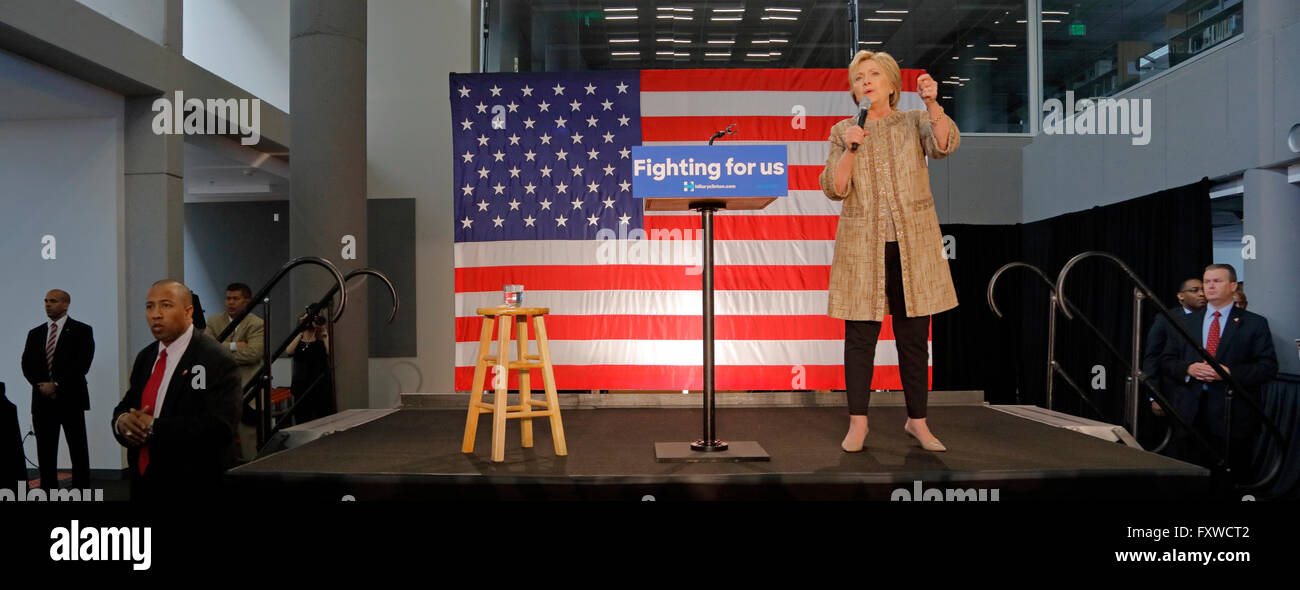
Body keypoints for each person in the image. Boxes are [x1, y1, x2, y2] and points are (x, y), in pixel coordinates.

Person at [819, 50, 959, 452]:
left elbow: (944, 145)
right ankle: (858, 423)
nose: (866, 80)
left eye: (874, 73)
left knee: (913, 338)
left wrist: (932, 103)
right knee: (860, 337)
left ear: (893, 83)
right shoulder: (843, 129)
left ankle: (918, 421)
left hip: (913, 245)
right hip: (863, 246)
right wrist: (849, 148)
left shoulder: (913, 121)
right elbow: (834, 187)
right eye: (859, 76)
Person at [112, 280, 240, 501]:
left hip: (191, 483)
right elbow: (128, 404)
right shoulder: (146, 356)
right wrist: (122, 421)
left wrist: (153, 426)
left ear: (188, 311)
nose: (156, 314)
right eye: (149, 306)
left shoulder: (214, 358)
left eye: (166, 305)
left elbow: (220, 427)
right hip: (144, 482)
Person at [1159, 264, 1276, 483]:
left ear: (1233, 286)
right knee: (1189, 481)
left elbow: (1267, 367)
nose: (1209, 286)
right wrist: (1188, 369)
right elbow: (1166, 361)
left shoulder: (1254, 323)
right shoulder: (1184, 322)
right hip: (1189, 416)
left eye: (1217, 281)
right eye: (1207, 281)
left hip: (1232, 417)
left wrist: (1229, 373)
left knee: (1229, 482)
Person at [20, 289, 94, 490]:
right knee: (45, 449)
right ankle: (48, 489)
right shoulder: (35, 333)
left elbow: (82, 364)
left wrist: (57, 384)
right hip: (42, 400)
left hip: (71, 398)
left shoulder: (82, 330)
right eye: (45, 301)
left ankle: (81, 489)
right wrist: (41, 385)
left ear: (65, 304)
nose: (47, 304)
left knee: (78, 449)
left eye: (53, 301)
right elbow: (26, 364)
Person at [203, 282, 264, 460]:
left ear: (247, 301)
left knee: (249, 443)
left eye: (236, 298)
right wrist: (234, 345)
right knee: (219, 442)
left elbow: (254, 353)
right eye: (228, 298)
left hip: (248, 392)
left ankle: (251, 481)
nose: (231, 302)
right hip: (219, 392)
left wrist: (220, 351)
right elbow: (206, 350)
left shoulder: (256, 324)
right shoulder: (214, 321)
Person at [1145, 278, 1206, 418]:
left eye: (1203, 289)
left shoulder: (1214, 318)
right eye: (1195, 290)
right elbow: (1152, 357)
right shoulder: (1166, 318)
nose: (1202, 293)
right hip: (1176, 394)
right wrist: (1154, 396)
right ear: (1181, 296)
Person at [283, 309, 336, 424]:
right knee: (302, 418)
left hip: (320, 385)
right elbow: (289, 351)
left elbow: (330, 352)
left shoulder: (320, 343)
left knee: (324, 418)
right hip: (302, 386)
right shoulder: (298, 342)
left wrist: (323, 330)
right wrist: (301, 329)